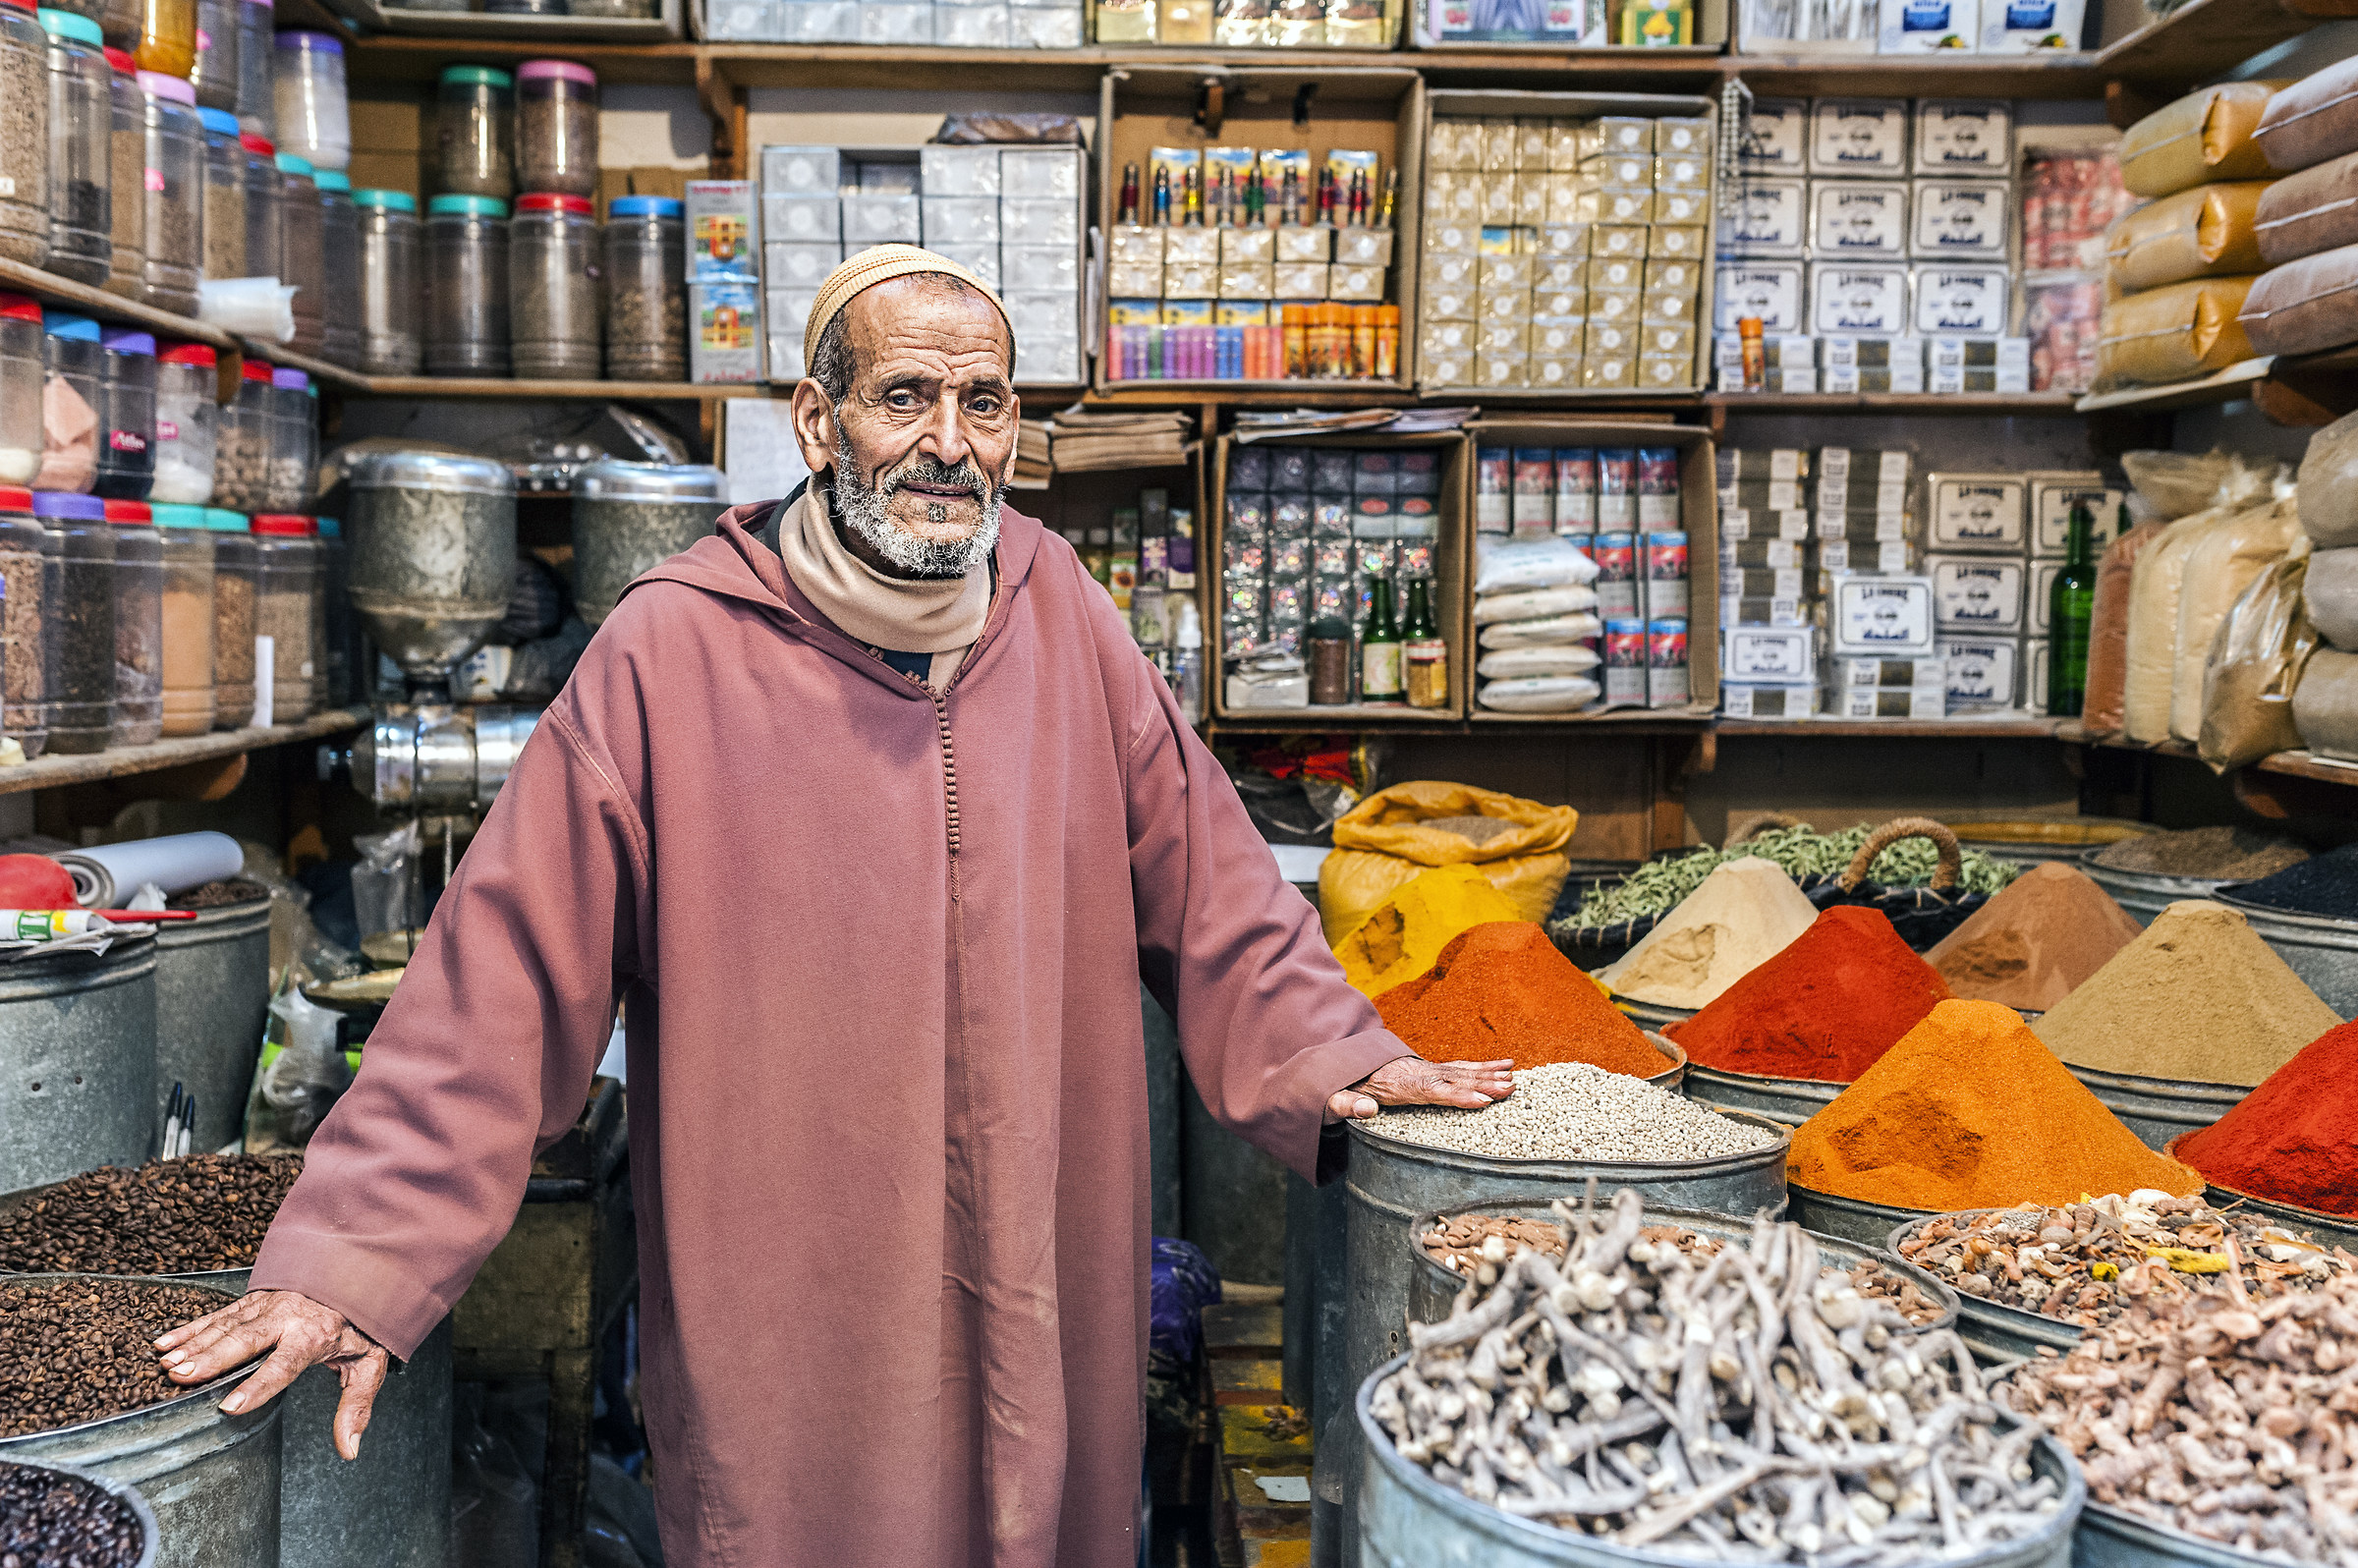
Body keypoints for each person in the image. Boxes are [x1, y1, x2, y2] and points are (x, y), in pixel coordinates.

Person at [153, 246, 1510, 1566]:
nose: (949, 443)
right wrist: (355, 1258)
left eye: (983, 404)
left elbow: (1221, 893)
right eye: (903, 397)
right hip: (793, 1294)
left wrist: (1341, 1058)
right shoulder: (672, 651)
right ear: (816, 420)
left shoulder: (1066, 619)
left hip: (1048, 1255)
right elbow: (493, 985)